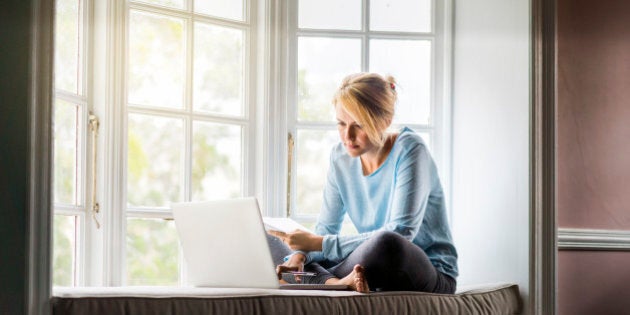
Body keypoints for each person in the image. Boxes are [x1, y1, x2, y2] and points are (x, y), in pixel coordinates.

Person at [267, 72, 458, 293]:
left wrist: (316, 244)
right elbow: (327, 228)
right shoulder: (340, 157)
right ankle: (336, 282)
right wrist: (299, 255)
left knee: (387, 242)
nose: (347, 135)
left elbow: (402, 231)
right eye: (341, 123)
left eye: (359, 125)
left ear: (385, 121)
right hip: (367, 266)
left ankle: (310, 279)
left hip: (423, 269)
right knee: (271, 240)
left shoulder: (411, 149)